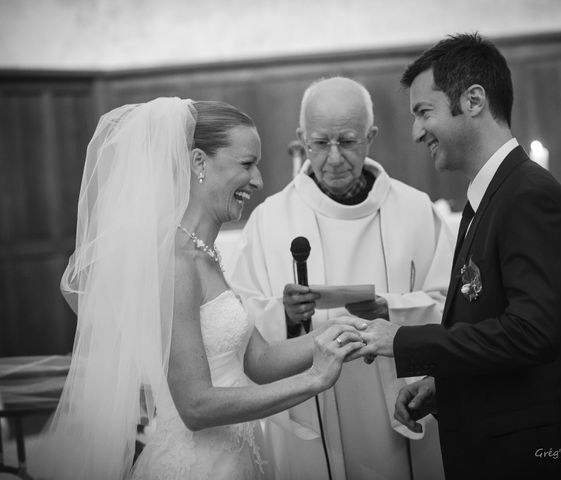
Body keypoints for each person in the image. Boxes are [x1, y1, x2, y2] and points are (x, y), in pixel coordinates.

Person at [30, 98, 367, 480]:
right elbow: (196, 406)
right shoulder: (175, 262)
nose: (258, 180)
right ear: (198, 163)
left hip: (235, 460)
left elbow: (258, 360)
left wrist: (343, 330)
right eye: (246, 164)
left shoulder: (205, 254)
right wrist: (314, 380)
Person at [355, 33, 561, 479]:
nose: (416, 132)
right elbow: (493, 323)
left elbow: (532, 333)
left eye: (424, 112)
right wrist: (445, 386)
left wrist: (401, 340)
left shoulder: (528, 196)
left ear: (473, 100)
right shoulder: (489, 198)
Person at [230, 77, 454, 480]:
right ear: (302, 138)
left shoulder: (415, 210)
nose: (333, 157)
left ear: (371, 136)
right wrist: (285, 313)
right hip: (311, 414)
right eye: (320, 142)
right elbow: (240, 319)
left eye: (348, 141)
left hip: (400, 409)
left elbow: (455, 305)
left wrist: (391, 309)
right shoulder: (271, 219)